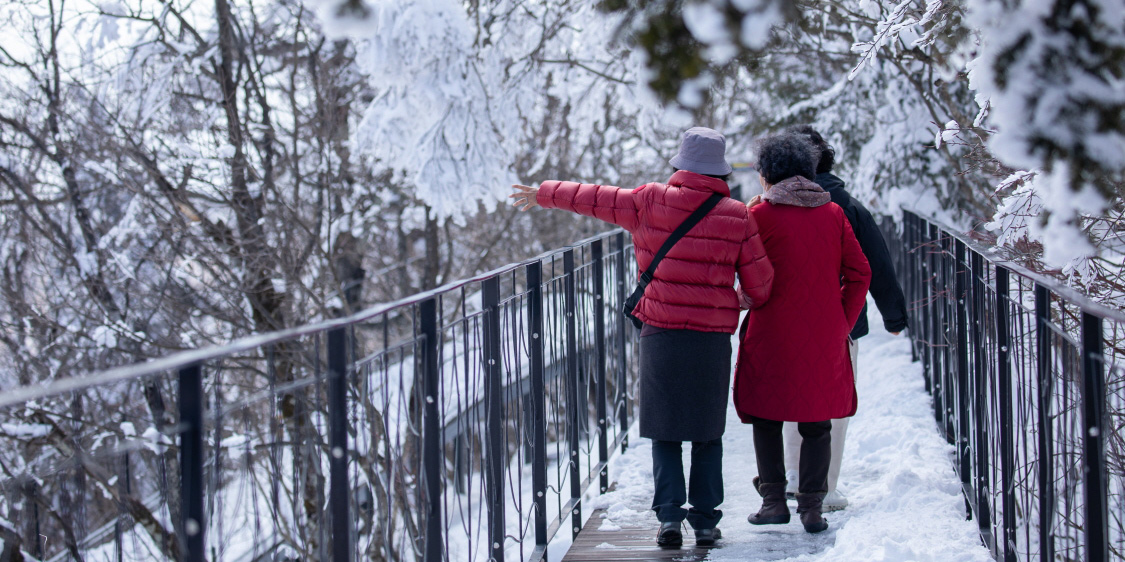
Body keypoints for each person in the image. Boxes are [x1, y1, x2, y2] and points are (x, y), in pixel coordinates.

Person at [510, 127, 774, 547]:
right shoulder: (738, 214)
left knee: (665, 427)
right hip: (710, 339)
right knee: (707, 431)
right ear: (720, 170)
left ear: (680, 165)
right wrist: (734, 299)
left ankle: (669, 518)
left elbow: (593, 197)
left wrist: (543, 192)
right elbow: (761, 287)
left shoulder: (649, 200)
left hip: (662, 333)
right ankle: (705, 521)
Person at [734, 133, 870, 534]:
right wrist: (841, 320)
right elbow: (861, 272)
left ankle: (774, 502)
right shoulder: (833, 215)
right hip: (823, 334)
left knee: (765, 416)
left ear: (769, 175)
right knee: (817, 422)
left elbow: (742, 271)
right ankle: (812, 508)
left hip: (770, 332)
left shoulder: (757, 216)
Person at [777, 125, 909, 511]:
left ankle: (793, 478)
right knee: (834, 406)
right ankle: (826, 488)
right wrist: (894, 316)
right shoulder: (847, 206)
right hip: (841, 320)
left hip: (789, 322)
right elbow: (877, 262)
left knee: (791, 402)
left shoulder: (772, 204)